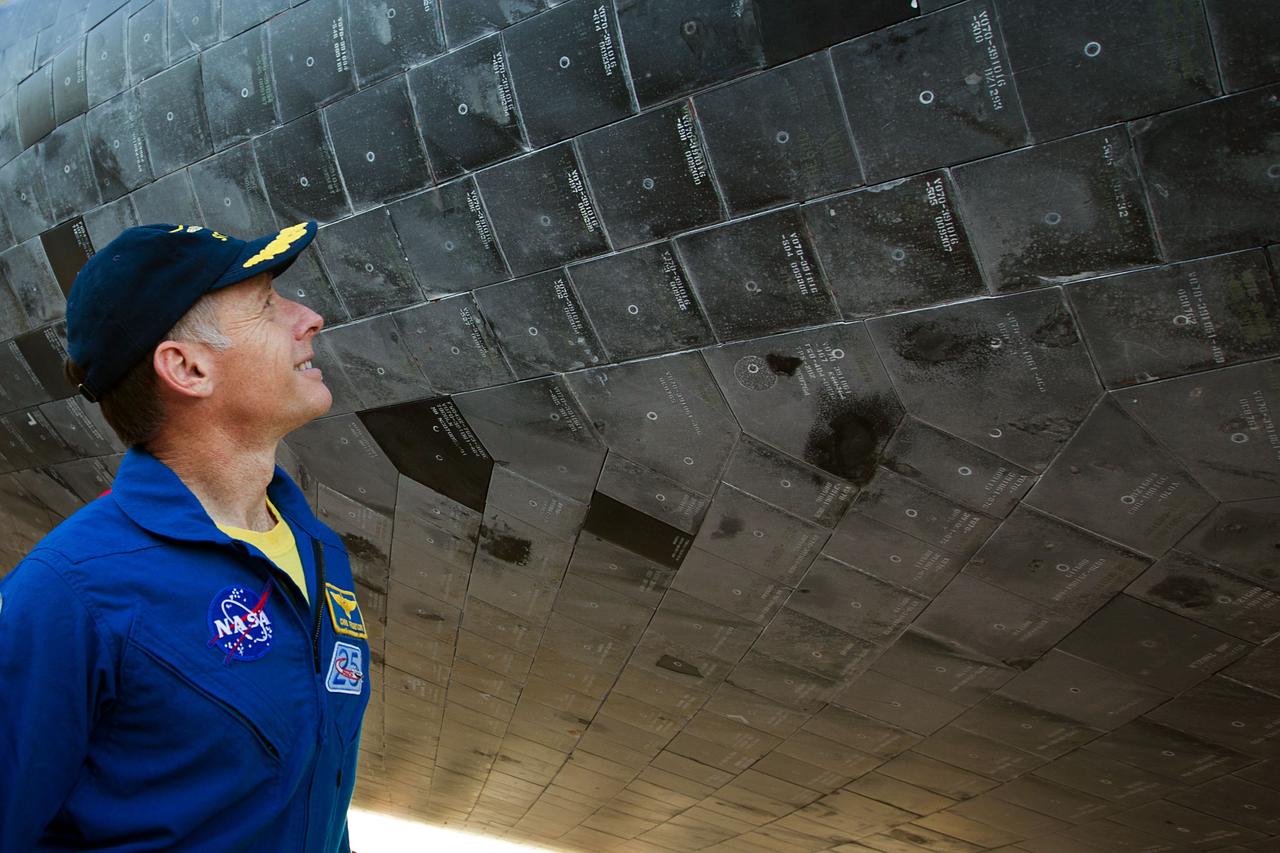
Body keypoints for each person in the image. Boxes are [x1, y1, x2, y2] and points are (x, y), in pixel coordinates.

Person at [0, 222, 370, 851]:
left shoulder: (317, 550)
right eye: (266, 306)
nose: (308, 317)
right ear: (188, 367)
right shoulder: (70, 594)